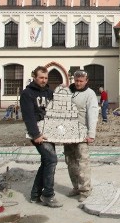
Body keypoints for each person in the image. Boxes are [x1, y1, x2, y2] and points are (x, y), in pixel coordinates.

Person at [20, 66, 61, 207]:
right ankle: (48, 195)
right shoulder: (27, 94)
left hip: (49, 132)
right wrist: (35, 134)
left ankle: (35, 195)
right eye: (41, 77)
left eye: (45, 78)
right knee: (51, 159)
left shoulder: (50, 93)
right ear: (35, 77)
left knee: (46, 161)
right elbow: (28, 115)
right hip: (38, 133)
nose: (43, 80)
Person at [63, 70, 99, 202]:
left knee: (82, 162)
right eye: (76, 81)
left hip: (82, 134)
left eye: (81, 81)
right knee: (70, 161)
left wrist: (91, 134)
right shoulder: (68, 92)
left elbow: (93, 114)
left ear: (86, 81)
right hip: (68, 133)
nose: (78, 83)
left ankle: (85, 190)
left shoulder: (90, 94)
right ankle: (76, 187)